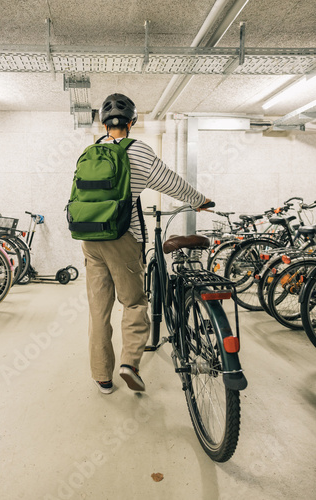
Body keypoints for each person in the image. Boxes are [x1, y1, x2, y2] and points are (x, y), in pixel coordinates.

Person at [81, 93, 213, 394]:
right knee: (135, 302)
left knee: (99, 310)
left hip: (90, 239)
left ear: (104, 124)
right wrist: (200, 201)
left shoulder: (90, 152)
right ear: (131, 122)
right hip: (123, 238)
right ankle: (129, 363)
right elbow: (171, 182)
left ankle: (102, 376)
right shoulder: (137, 150)